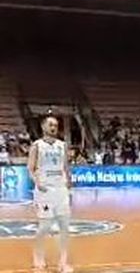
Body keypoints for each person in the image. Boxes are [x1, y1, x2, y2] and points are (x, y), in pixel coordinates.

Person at [27, 116, 72, 273]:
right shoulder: (37, 146)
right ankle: (38, 258)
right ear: (43, 126)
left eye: (56, 125)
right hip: (45, 190)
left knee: (64, 227)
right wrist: (37, 182)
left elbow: (66, 166)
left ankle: (63, 262)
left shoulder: (62, 145)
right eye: (50, 124)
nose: (53, 127)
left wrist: (69, 182)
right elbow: (30, 168)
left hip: (61, 189)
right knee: (44, 226)